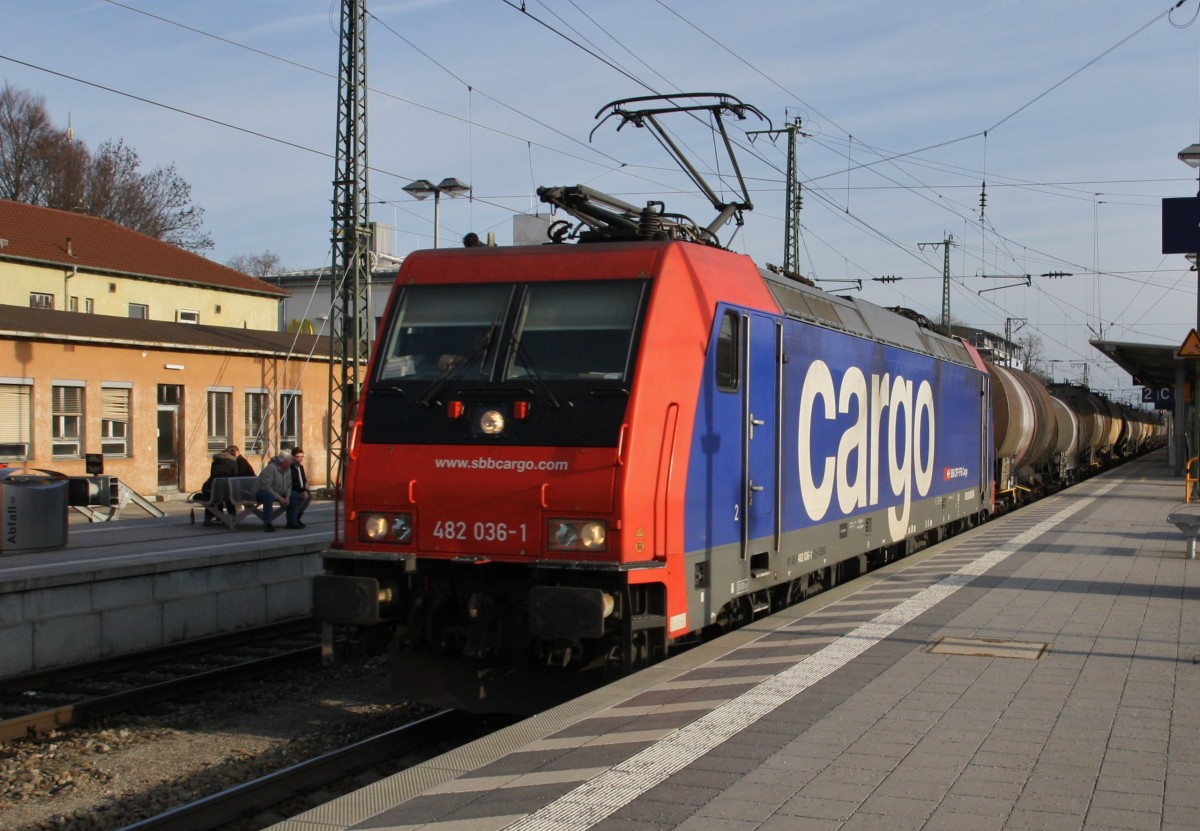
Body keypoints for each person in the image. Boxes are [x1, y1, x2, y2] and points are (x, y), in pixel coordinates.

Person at [254, 451, 293, 532]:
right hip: (260, 492)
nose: (291, 463)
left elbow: (289, 485)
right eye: (289, 462)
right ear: (284, 463)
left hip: (278, 492)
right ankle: (268, 523)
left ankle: (292, 521)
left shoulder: (288, 469)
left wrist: (287, 497)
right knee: (268, 496)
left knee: (295, 495)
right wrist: (279, 498)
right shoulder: (271, 468)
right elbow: (266, 487)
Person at [200, 447, 238, 525]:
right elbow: (235, 476)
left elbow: (212, 475)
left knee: (214, 496)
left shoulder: (215, 462)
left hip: (212, 489)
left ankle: (209, 518)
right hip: (227, 490)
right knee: (228, 496)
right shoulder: (233, 463)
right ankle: (232, 516)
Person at [286, 447, 313, 529]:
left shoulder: (300, 467)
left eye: (302, 456)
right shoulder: (290, 467)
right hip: (291, 490)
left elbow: (303, 480)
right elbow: (291, 482)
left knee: (309, 496)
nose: (300, 458)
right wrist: (302, 491)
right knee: (297, 496)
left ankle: (297, 516)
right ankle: (292, 520)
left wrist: (305, 488)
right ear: (293, 457)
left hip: (300, 489)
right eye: (298, 456)